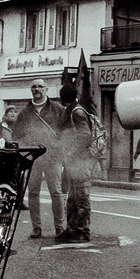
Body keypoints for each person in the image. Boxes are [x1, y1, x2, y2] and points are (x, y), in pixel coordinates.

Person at [11, 78, 66, 239]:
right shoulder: (25, 112)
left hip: (53, 157)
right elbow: (17, 135)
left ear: (46, 89)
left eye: (40, 86)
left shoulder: (57, 109)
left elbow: (66, 131)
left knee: (56, 192)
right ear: (31, 90)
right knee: (33, 192)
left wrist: (60, 149)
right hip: (32, 158)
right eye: (34, 87)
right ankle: (36, 228)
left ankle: (60, 227)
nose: (37, 89)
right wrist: (24, 152)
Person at [53, 81, 99, 241]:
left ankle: (83, 231)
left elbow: (85, 136)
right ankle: (73, 228)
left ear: (61, 98)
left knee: (81, 197)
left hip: (81, 161)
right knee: (73, 197)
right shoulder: (72, 110)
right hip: (74, 161)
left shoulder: (76, 112)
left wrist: (71, 153)